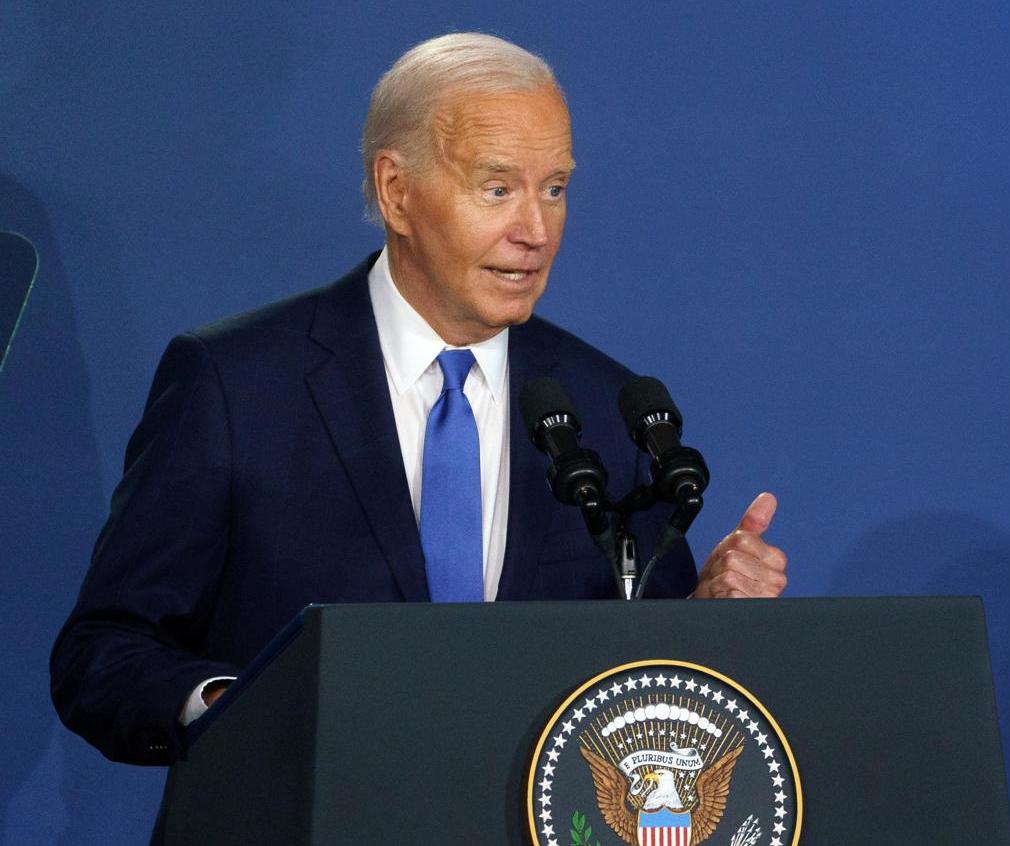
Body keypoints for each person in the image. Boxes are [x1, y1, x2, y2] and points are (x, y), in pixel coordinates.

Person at [49, 33, 789, 768]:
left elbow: (638, 694)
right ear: (396, 192)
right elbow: (103, 651)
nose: (535, 231)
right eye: (497, 188)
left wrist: (705, 626)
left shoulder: (604, 405)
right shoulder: (235, 383)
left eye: (554, 188)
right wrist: (232, 712)